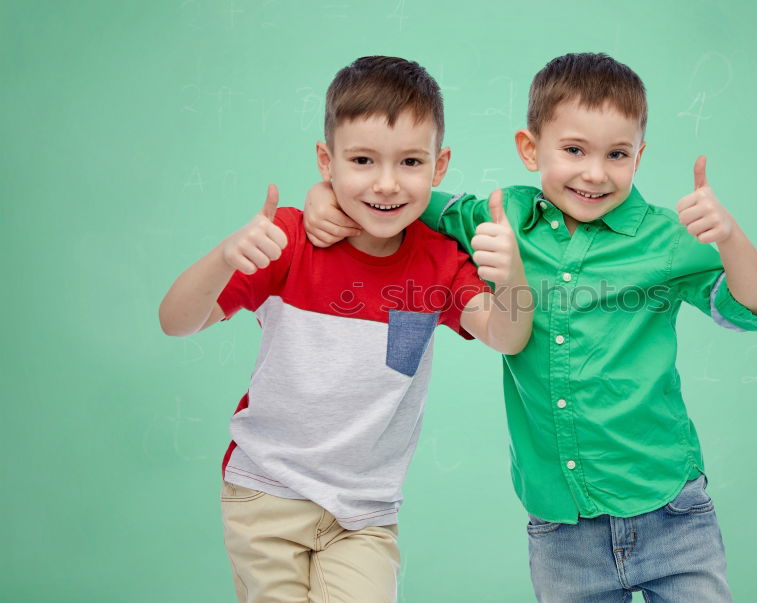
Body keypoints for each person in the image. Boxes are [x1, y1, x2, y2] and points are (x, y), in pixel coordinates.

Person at [303, 52, 757, 602]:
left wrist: (729, 237)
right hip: (561, 525)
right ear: (531, 149)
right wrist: (321, 195)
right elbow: (392, 204)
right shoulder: (498, 217)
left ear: (639, 157)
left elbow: (751, 309)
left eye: (617, 154)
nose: (594, 172)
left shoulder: (665, 238)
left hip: (670, 507)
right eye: (574, 150)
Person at [158, 55, 532, 603]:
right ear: (325, 162)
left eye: (409, 161)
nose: (386, 183)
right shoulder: (286, 238)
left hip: (364, 515)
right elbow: (175, 322)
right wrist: (225, 256)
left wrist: (513, 274)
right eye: (361, 160)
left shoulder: (439, 262)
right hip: (265, 495)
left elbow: (508, 337)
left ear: (439, 165)